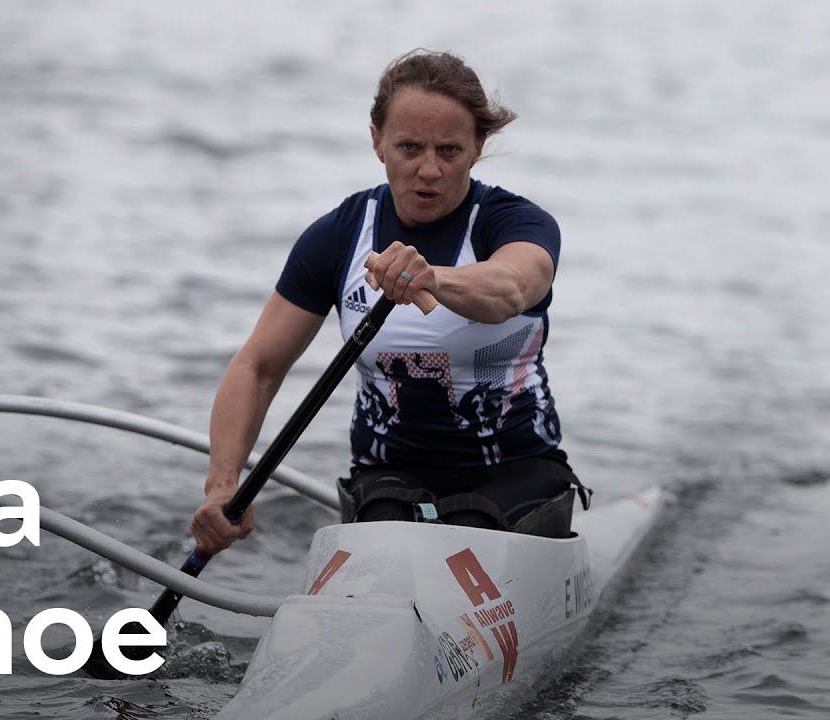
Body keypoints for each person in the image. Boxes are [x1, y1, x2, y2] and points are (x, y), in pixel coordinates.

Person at [190, 49, 588, 557]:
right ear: (377, 141)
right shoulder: (339, 236)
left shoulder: (514, 223)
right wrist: (223, 486)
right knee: (386, 525)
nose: (428, 170)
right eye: (409, 147)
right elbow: (258, 367)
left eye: (448, 150)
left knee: (469, 524)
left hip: (516, 472)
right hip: (390, 478)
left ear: (477, 147)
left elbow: (510, 289)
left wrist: (433, 278)